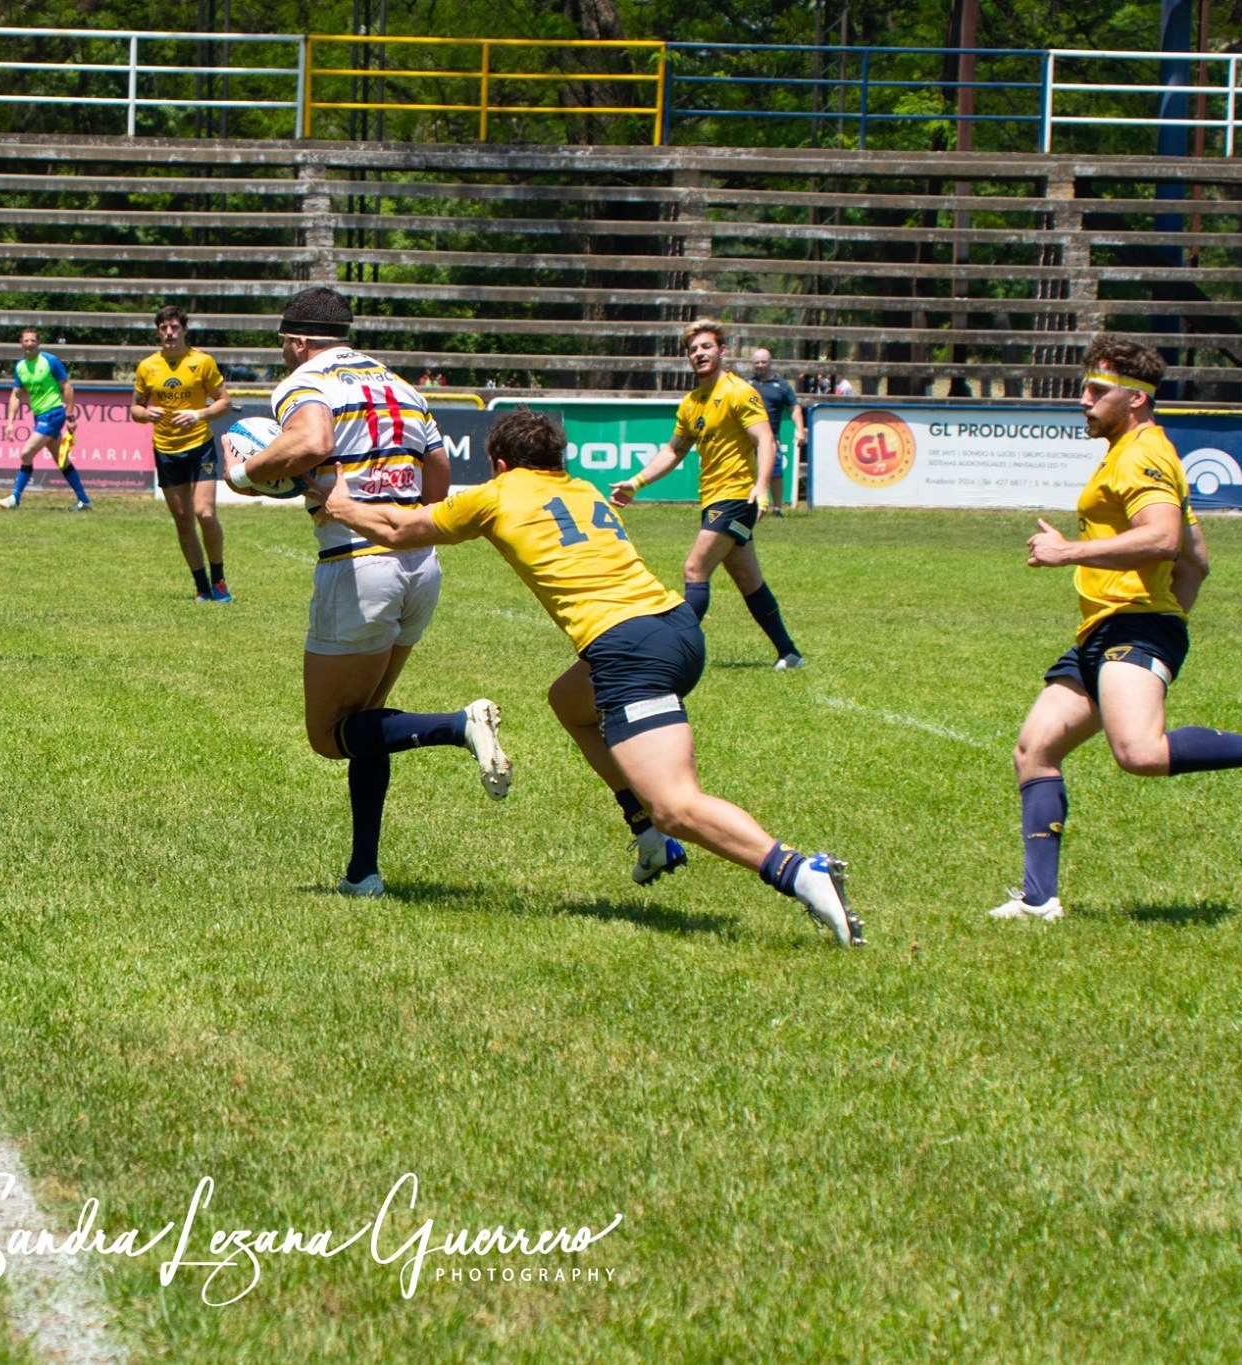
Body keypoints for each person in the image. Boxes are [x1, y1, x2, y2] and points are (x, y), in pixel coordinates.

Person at [317, 410, 862, 946]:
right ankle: (645, 831)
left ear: (500, 463)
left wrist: (338, 502)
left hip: (629, 651)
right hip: (675, 628)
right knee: (569, 702)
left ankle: (795, 869)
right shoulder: (587, 491)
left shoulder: (499, 493)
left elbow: (397, 528)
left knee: (677, 804)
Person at [991, 335, 1242, 921]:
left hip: (1134, 627)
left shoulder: (1142, 456)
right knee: (1035, 749)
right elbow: (1196, 557)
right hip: (1106, 629)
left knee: (1139, 752)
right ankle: (1039, 899)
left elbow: (1161, 539)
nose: (1083, 400)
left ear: (1135, 400)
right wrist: (1172, 608)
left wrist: (1071, 554)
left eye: (1096, 391)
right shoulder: (1133, 450)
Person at [228, 286, 512, 898]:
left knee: (329, 736)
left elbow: (310, 444)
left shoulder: (306, 379)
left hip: (358, 565)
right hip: (419, 565)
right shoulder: (402, 386)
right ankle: (363, 871)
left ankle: (457, 726)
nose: (284, 355)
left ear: (299, 340)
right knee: (368, 724)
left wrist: (245, 474)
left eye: (284, 345)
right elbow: (437, 477)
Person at [614, 319, 805, 670]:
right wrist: (637, 482)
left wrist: (761, 486)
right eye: (693, 349)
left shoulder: (739, 391)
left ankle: (669, 652)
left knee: (694, 568)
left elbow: (765, 440)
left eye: (706, 347)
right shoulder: (692, 403)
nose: (699, 353)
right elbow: (673, 451)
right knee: (748, 579)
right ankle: (789, 652)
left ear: (722, 351)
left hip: (736, 498)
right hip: (715, 499)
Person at [132, 305, 234, 601]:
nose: (169, 333)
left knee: (205, 512)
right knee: (183, 519)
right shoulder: (147, 366)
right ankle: (201, 587)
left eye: (174, 327)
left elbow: (224, 402)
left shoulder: (202, 362)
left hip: (199, 446)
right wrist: (147, 414)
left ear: (184, 330)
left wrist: (198, 415)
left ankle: (219, 581)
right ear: (158, 332)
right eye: (163, 328)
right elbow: (136, 409)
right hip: (166, 449)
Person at [0, 327, 92, 510]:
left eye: (33, 340)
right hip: (39, 415)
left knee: (26, 453)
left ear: (38, 343)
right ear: (21, 343)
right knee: (62, 459)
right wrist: (10, 422)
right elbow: (16, 395)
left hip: (53, 413)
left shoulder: (50, 361)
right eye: (26, 341)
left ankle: (14, 499)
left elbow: (67, 387)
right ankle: (84, 501)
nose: (29, 344)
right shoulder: (20, 367)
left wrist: (70, 415)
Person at [747, 347, 805, 514]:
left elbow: (794, 408)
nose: (760, 365)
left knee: (775, 473)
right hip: (747, 436)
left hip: (771, 437)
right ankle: (749, 505)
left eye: (763, 362)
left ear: (770, 362)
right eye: (757, 362)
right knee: (746, 471)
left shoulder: (782, 385)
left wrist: (800, 430)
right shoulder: (745, 383)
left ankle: (777, 508)